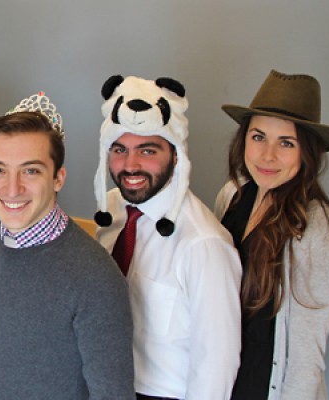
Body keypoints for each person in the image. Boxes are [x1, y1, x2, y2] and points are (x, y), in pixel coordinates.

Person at [0, 92, 135, 400]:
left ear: (58, 178)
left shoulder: (95, 277)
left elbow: (112, 394)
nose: (12, 188)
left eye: (30, 170)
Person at [93, 75, 242, 400]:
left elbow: (216, 364)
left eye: (147, 150)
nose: (130, 165)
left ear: (176, 154)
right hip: (104, 385)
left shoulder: (204, 244)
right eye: (120, 149)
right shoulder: (112, 210)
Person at [215, 69, 329, 399]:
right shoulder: (231, 197)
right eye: (258, 137)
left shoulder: (316, 231)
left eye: (286, 143)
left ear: (307, 153)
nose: (268, 155)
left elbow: (306, 361)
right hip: (222, 383)